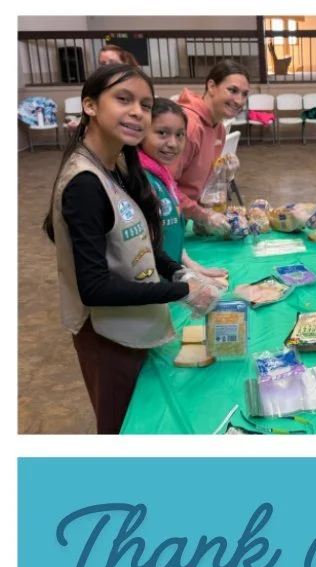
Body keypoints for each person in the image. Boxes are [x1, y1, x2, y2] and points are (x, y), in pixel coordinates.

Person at [43, 65, 218, 435]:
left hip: (134, 325)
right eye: (123, 100)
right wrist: (182, 290)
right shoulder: (84, 184)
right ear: (90, 105)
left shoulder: (118, 167)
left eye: (145, 105)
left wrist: (179, 271)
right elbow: (94, 289)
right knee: (123, 427)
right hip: (107, 337)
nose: (137, 112)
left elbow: (143, 245)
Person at [139, 98, 230, 286]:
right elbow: (144, 248)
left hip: (169, 277)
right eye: (162, 133)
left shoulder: (163, 176)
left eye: (180, 135)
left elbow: (167, 230)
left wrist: (190, 265)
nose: (173, 143)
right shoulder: (140, 181)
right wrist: (187, 280)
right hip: (154, 287)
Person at [175, 60, 250, 231]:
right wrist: (202, 215)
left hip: (183, 218)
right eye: (232, 90)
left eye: (245, 94)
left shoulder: (219, 128)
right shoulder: (190, 125)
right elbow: (162, 186)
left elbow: (195, 182)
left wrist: (222, 175)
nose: (239, 101)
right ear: (211, 86)